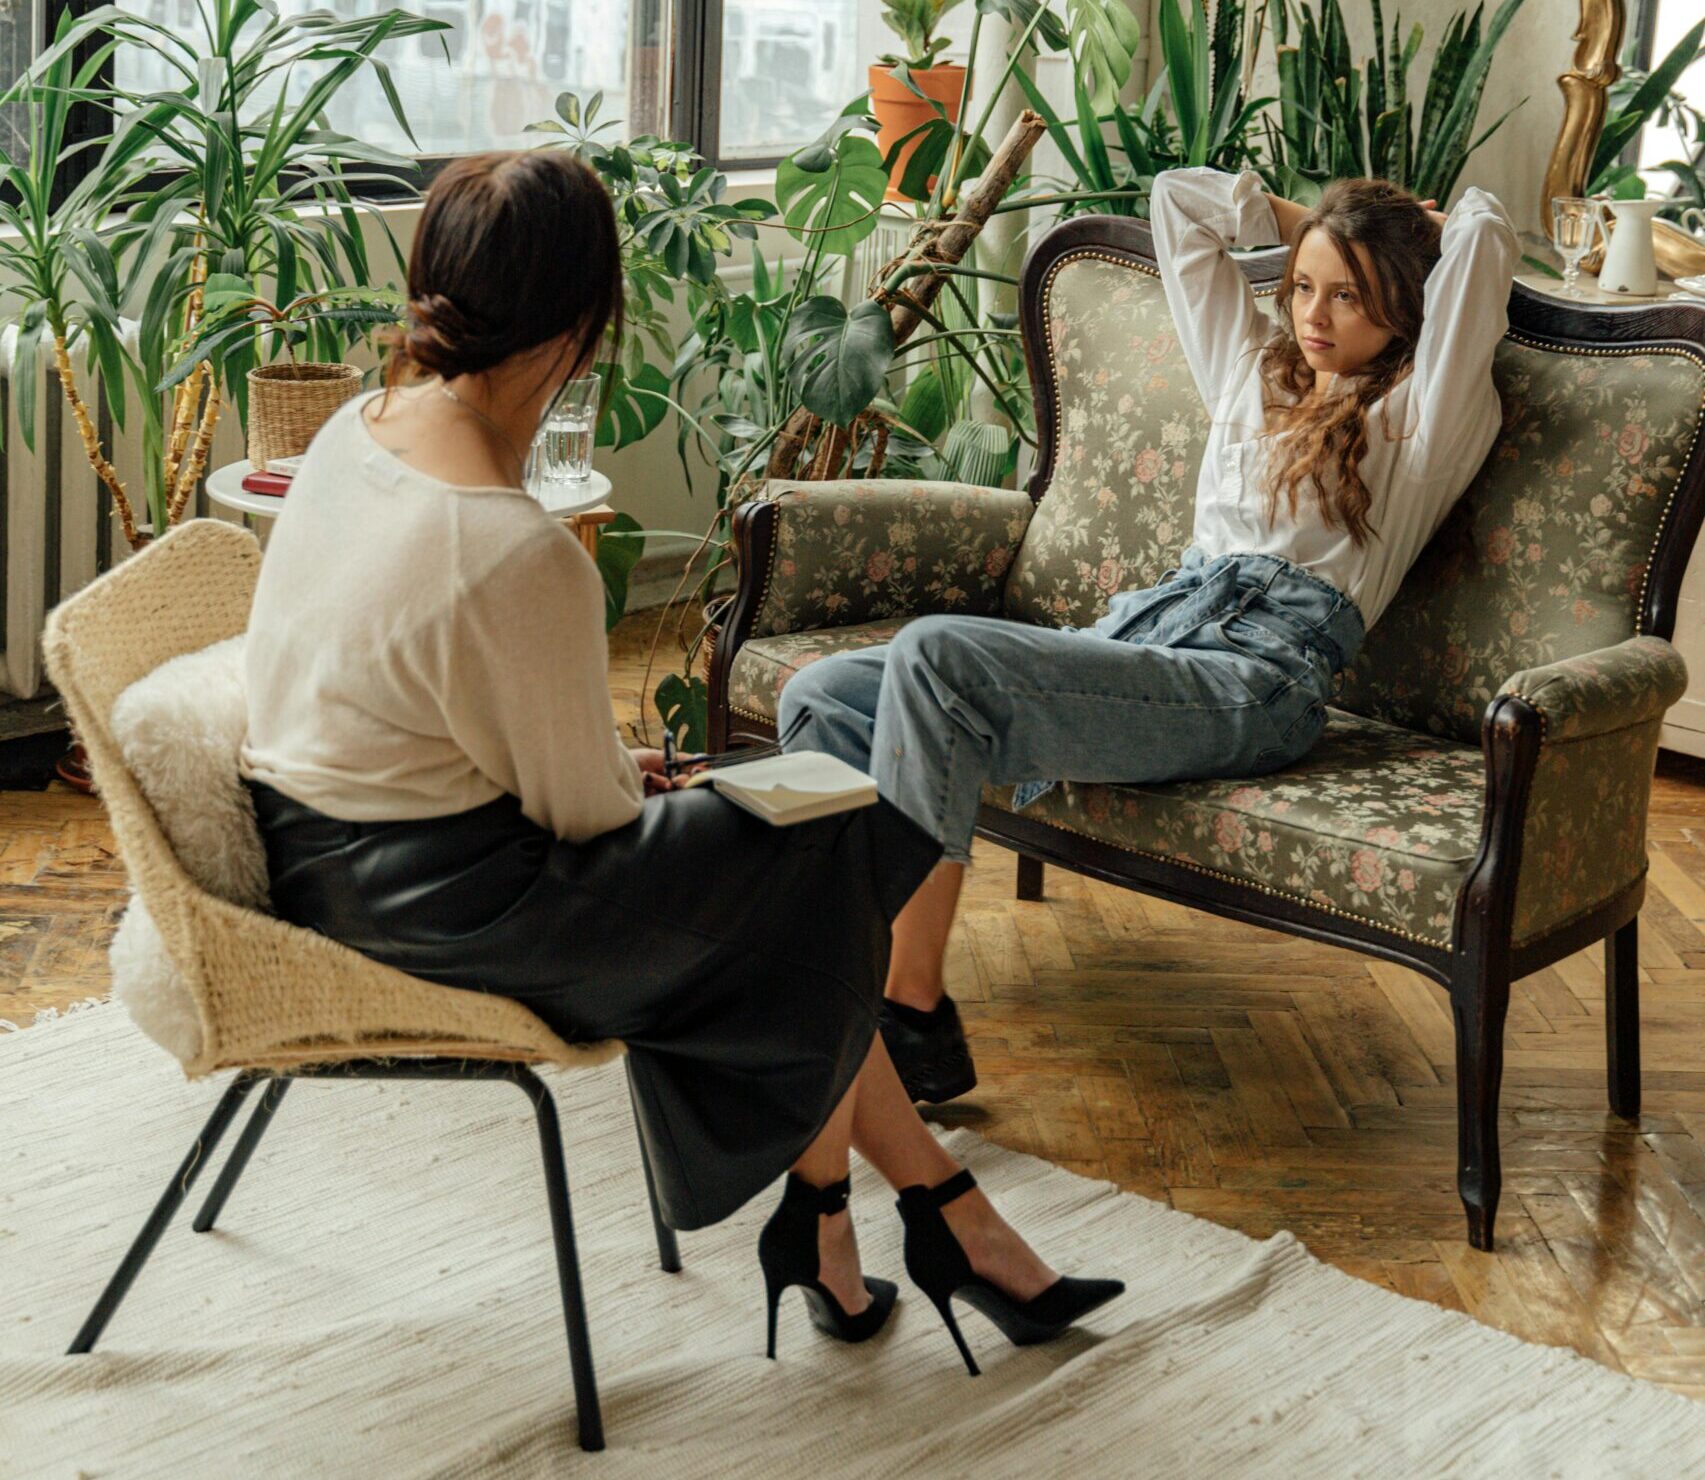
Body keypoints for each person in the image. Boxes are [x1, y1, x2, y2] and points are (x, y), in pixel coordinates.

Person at [238, 150, 1121, 1377]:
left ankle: (894, 1224)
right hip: (447, 908)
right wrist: (648, 782)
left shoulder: (354, 430)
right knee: (820, 857)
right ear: (580, 325)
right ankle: (914, 1223)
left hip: (315, 854)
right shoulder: (506, 544)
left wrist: (635, 782)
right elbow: (587, 814)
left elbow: (445, 719)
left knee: (803, 858)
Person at [779, 165, 1522, 1104]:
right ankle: (827, 977)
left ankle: (910, 1017)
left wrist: (1395, 230)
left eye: (1348, 295)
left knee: (935, 656)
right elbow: (1179, 201)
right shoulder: (1252, 373)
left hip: (1256, 679)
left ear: (1405, 307)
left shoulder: (1423, 414)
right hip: (1152, 637)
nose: (1314, 315)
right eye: (1302, 285)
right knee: (820, 697)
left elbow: (1486, 242)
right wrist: (1319, 227)